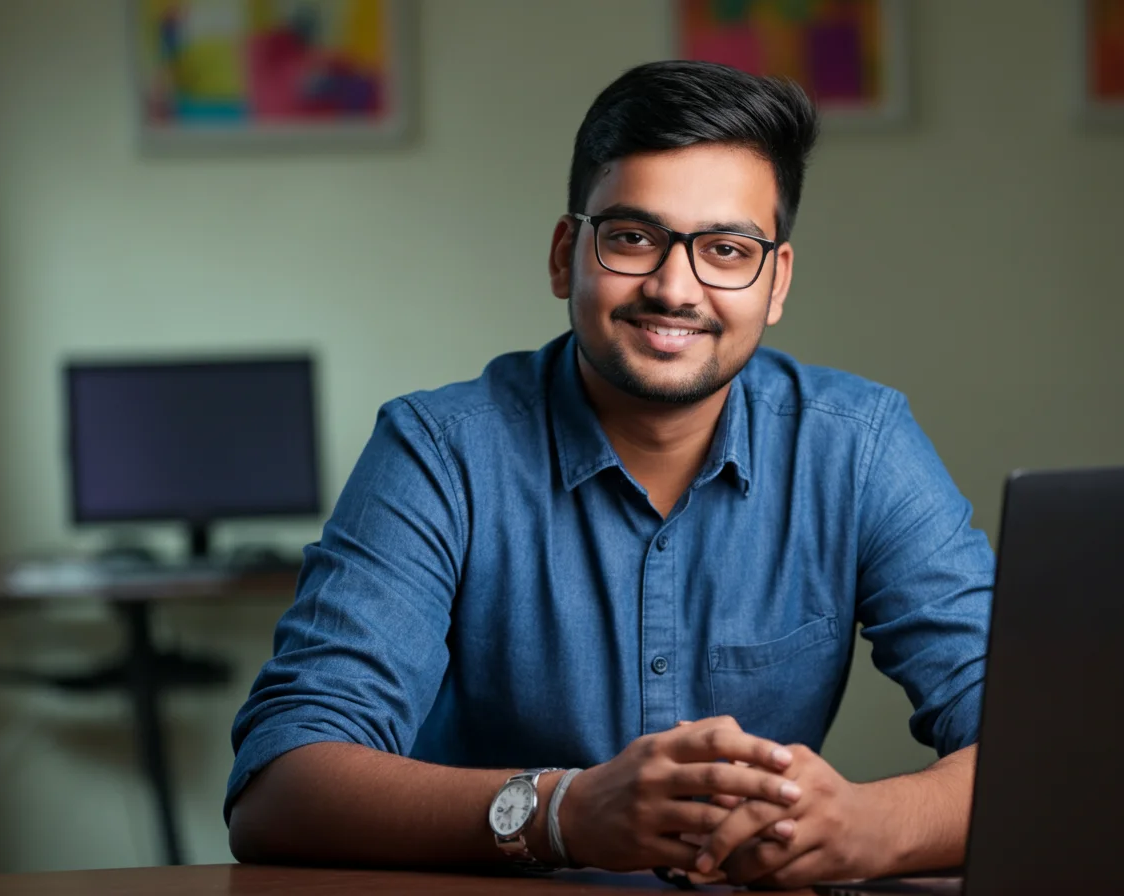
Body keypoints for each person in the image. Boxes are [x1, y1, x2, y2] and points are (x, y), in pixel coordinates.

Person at [226, 60, 993, 890]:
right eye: (633, 238)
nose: (674, 288)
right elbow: (280, 787)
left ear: (775, 283)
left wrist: (871, 826)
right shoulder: (438, 452)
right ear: (567, 256)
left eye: (727, 250)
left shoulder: (859, 446)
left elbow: (1042, 744)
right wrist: (562, 813)